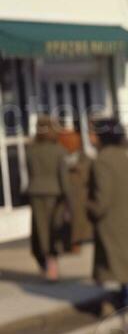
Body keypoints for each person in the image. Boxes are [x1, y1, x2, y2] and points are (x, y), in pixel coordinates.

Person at [87, 117, 128, 314]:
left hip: (111, 223)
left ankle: (120, 306)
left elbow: (103, 196)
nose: (90, 137)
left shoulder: (102, 160)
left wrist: (90, 209)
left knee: (111, 267)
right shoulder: (124, 156)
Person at [27, 116, 67, 282]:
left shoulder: (31, 150)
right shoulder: (58, 150)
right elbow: (63, 176)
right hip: (54, 193)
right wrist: (67, 197)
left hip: (36, 192)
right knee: (53, 229)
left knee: (40, 230)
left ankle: (45, 264)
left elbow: (30, 172)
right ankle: (52, 264)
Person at [59, 128, 93, 253]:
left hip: (81, 196)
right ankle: (72, 243)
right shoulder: (61, 158)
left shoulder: (85, 159)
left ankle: (77, 241)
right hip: (68, 196)